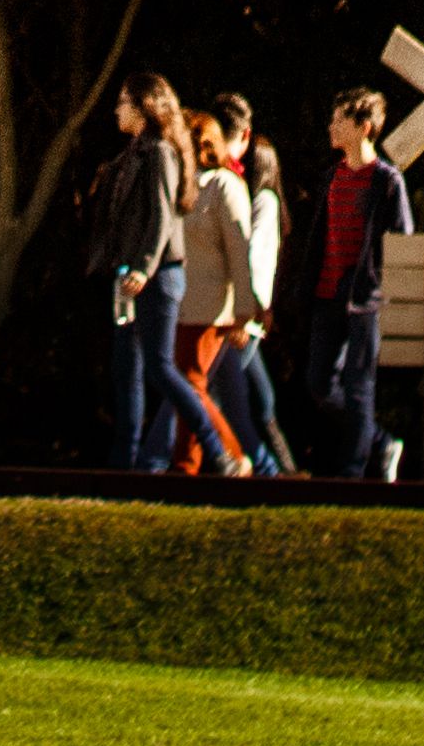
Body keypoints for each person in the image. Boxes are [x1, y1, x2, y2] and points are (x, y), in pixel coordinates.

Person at [85, 77, 206, 473]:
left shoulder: (159, 153)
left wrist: (142, 267)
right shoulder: (132, 155)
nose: (117, 110)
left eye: (123, 102)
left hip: (156, 277)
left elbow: (162, 216)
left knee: (159, 368)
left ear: (145, 107)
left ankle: (215, 448)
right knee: (127, 371)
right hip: (130, 278)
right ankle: (127, 466)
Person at [309, 90, 408, 480]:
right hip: (328, 294)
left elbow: (402, 238)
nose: (332, 126)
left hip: (365, 298)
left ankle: (353, 472)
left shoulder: (386, 181)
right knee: (318, 383)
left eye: (340, 120)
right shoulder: (332, 178)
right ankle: (381, 442)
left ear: (364, 128)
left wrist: (378, 284)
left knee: (359, 384)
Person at [175, 105, 258, 473]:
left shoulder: (225, 185)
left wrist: (244, 312)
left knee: (190, 383)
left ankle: (233, 456)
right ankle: (185, 463)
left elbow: (241, 250)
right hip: (183, 303)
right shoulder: (186, 185)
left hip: (212, 308)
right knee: (187, 385)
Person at [218, 95, 297, 474]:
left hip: (243, 317)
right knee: (262, 403)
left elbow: (258, 262)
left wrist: (248, 310)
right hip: (247, 314)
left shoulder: (262, 202)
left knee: (228, 402)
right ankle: (284, 469)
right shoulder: (260, 202)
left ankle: (266, 472)